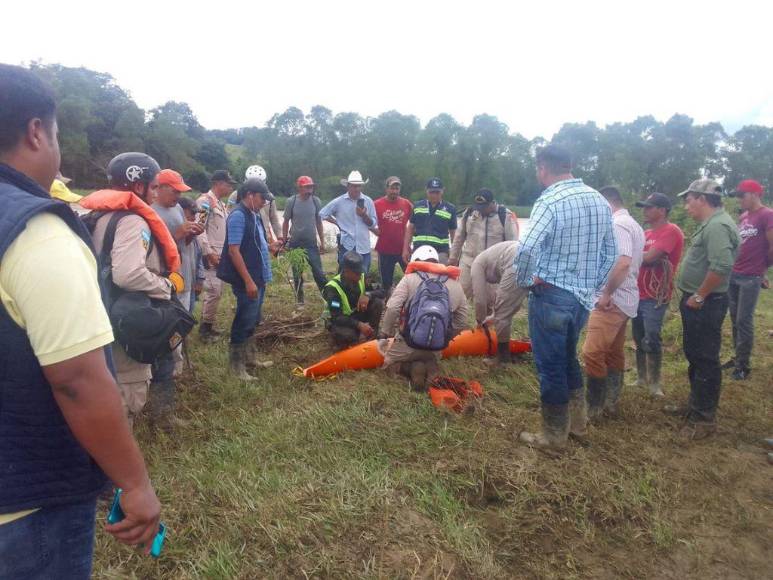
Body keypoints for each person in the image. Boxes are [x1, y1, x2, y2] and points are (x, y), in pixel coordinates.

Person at [0, 63, 160, 578]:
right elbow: (77, 380)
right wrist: (133, 483)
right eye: (58, 134)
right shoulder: (37, 232)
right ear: (36, 131)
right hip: (26, 502)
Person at [513, 145, 617, 449]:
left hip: (551, 295)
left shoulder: (550, 201)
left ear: (544, 167)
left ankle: (553, 434)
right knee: (568, 358)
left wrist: (525, 281)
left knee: (550, 366)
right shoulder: (599, 200)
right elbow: (611, 252)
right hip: (581, 299)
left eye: (537, 169)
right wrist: (591, 285)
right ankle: (578, 423)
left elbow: (527, 248)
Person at [79, 152, 183, 431]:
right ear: (138, 187)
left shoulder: (99, 215)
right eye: (153, 187)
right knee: (127, 391)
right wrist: (166, 286)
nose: (154, 192)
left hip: (100, 312)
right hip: (124, 317)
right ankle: (113, 465)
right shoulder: (133, 221)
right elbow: (129, 274)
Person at [666, 179, 739, 439]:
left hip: (705, 303)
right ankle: (696, 405)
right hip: (700, 302)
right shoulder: (711, 224)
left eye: (689, 200)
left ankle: (704, 420)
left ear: (702, 198)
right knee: (696, 354)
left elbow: (721, 266)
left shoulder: (718, 226)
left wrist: (699, 295)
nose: (686, 206)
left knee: (705, 358)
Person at [582, 186, 645, 421]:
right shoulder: (634, 224)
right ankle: (610, 402)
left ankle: (594, 407)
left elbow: (623, 263)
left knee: (591, 352)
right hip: (626, 297)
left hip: (613, 300)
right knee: (613, 352)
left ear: (607, 204)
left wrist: (606, 293)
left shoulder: (617, 225)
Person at [148, 169, 204, 428]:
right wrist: (179, 234)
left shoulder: (177, 210)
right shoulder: (150, 213)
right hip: (162, 286)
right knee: (165, 345)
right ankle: (160, 409)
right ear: (158, 188)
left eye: (181, 192)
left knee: (179, 332)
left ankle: (169, 390)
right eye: (175, 191)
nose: (178, 196)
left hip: (182, 280)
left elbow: (180, 246)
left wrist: (191, 234)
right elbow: (153, 251)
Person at [379, 245, 468, 390]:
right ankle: (428, 365)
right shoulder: (455, 283)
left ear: (417, 260)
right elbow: (462, 319)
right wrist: (445, 338)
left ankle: (406, 368)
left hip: (408, 343)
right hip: (436, 348)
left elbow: (393, 308)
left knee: (389, 363)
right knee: (429, 356)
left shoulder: (409, 278)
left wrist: (385, 333)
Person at [217, 178, 276, 380]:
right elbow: (234, 251)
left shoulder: (254, 214)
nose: (264, 203)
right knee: (243, 319)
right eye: (262, 198)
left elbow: (257, 243)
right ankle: (236, 367)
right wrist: (249, 281)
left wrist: (271, 248)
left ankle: (250, 358)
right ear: (250, 195)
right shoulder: (238, 216)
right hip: (247, 279)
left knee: (253, 318)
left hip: (258, 276)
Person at [631, 192, 684, 397]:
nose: (644, 210)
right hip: (638, 293)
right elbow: (642, 257)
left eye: (649, 207)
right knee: (638, 336)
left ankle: (654, 383)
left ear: (662, 210)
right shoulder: (647, 233)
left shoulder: (671, 231)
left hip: (655, 295)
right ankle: (641, 378)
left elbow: (651, 258)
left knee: (651, 337)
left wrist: (633, 255)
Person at [724, 179, 773, 380]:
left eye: (741, 195)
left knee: (744, 320)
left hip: (751, 276)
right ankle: (737, 357)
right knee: (735, 318)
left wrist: (762, 269)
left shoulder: (767, 215)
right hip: (734, 274)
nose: (739, 199)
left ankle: (743, 366)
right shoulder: (744, 216)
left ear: (754, 194)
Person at [449, 189, 518, 299]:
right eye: (478, 207)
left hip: (492, 266)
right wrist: (452, 259)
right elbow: (458, 238)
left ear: (492, 203)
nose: (480, 210)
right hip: (468, 262)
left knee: (491, 301)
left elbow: (514, 245)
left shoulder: (505, 216)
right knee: (459, 296)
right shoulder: (469, 214)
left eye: (484, 207)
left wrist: (510, 270)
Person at [470, 241, 529, 364]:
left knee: (502, 313)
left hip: (516, 261)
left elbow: (480, 299)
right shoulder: (490, 255)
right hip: (531, 258)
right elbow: (513, 301)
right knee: (535, 305)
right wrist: (493, 316)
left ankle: (503, 358)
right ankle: (536, 345)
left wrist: (480, 322)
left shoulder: (476, 265)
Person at [197, 169, 237, 340]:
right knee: (214, 291)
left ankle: (208, 325)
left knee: (217, 290)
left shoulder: (220, 203)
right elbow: (199, 228)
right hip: (211, 255)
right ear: (219, 184)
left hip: (220, 255)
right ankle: (205, 330)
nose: (230, 188)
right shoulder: (205, 202)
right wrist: (208, 253)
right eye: (228, 184)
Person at [320, 170, 379, 273]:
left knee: (363, 274)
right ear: (348, 186)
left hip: (363, 245)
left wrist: (364, 215)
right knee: (345, 275)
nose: (356, 188)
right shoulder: (339, 201)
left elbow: (373, 223)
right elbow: (322, 213)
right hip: (347, 245)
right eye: (353, 186)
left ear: (362, 186)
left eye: (358, 186)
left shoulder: (368, 201)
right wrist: (337, 223)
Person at [323, 251, 384, 348]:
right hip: (342, 321)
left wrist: (368, 295)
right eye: (357, 273)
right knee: (347, 336)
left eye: (360, 272)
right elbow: (337, 317)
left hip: (358, 314)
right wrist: (359, 325)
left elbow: (382, 291)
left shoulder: (363, 277)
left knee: (377, 303)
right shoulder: (332, 288)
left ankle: (371, 333)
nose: (360, 276)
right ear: (347, 271)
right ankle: (341, 341)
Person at [282, 175, 327, 304]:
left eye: (311, 187)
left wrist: (322, 242)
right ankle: (300, 300)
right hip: (295, 243)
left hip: (311, 244)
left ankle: (327, 298)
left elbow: (319, 222)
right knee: (297, 274)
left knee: (318, 272)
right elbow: (285, 222)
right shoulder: (292, 201)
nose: (309, 190)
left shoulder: (315, 201)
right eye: (307, 187)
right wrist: (285, 241)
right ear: (300, 188)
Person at [403, 178, 457, 265]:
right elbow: (410, 228)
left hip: (441, 252)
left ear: (442, 191)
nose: (434, 195)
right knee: (417, 276)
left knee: (440, 276)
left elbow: (454, 234)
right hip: (419, 249)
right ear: (426, 190)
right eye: (431, 192)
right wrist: (405, 249)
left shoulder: (450, 209)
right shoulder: (417, 206)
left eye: (437, 192)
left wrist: (454, 254)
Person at [374, 176, 413, 293]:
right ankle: (387, 303)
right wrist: (375, 231)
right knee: (386, 282)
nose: (394, 191)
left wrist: (411, 239)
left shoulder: (406, 204)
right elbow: (368, 222)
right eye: (392, 188)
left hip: (403, 249)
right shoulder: (376, 204)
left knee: (411, 276)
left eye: (397, 188)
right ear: (386, 189)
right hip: (385, 249)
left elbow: (415, 222)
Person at [177, 196, 207, 312]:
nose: (194, 218)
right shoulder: (175, 230)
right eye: (192, 213)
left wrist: (199, 280)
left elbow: (198, 257)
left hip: (190, 283)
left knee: (189, 315)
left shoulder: (192, 234)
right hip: (178, 285)